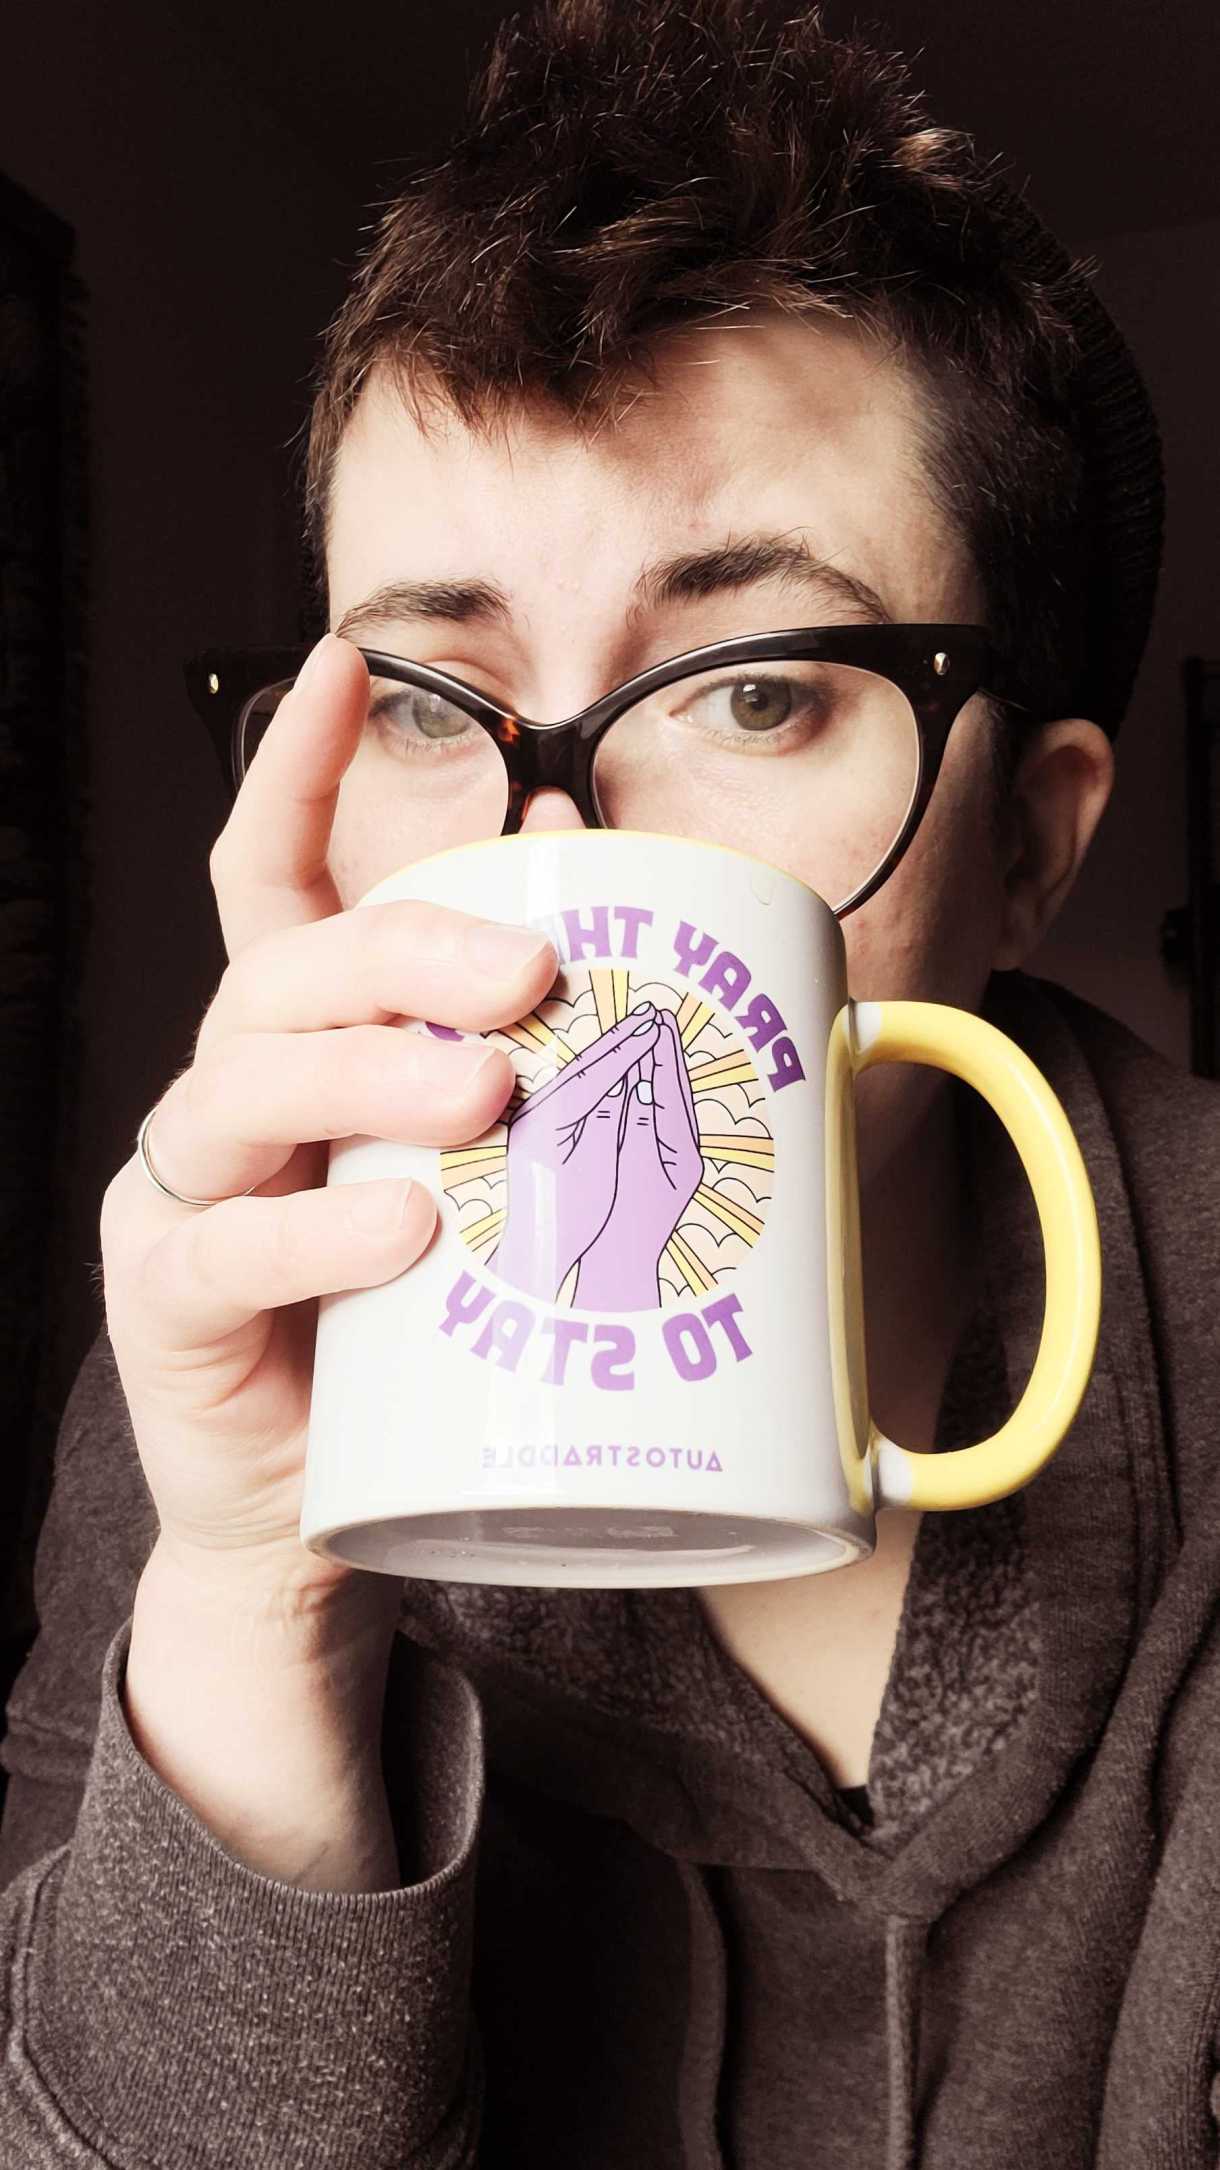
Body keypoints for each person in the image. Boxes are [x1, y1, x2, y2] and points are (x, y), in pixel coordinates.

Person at [1, 2, 1215, 2164]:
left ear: (1028, 837)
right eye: (432, 700)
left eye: (755, 689)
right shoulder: (241, 1361)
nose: (550, 875)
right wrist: (259, 1604)